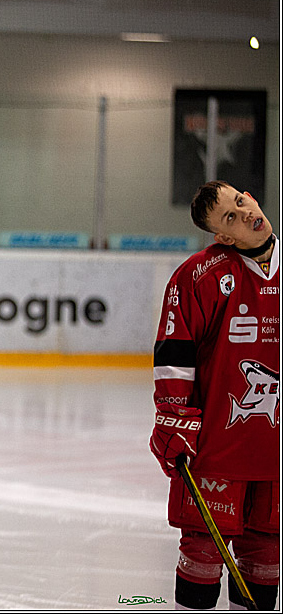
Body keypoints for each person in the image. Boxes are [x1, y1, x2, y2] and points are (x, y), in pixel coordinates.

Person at [150, 180, 278, 611]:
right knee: (203, 551)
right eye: (230, 217)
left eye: (241, 201)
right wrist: (173, 418)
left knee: (267, 552)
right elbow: (174, 353)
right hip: (216, 448)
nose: (245, 213)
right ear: (224, 237)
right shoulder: (199, 276)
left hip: (276, 452)